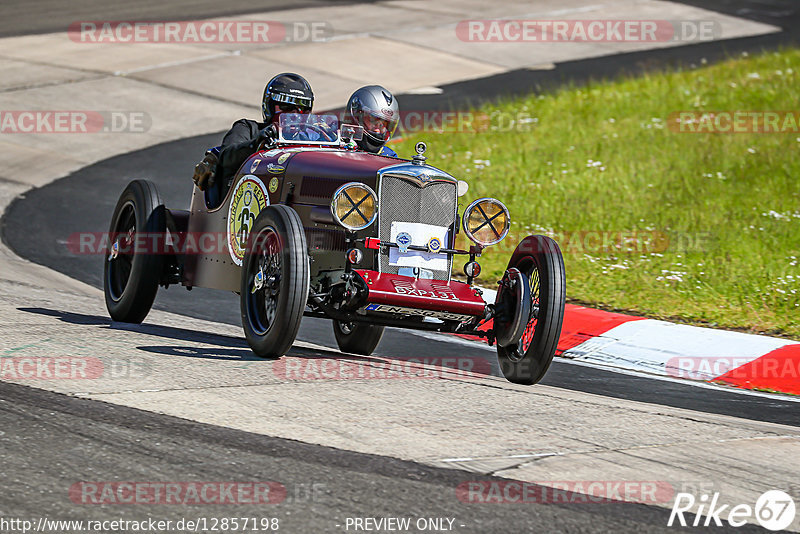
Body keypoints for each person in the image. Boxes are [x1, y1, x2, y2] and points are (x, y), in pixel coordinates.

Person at [192, 73, 314, 193]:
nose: (294, 115)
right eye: (285, 107)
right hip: (246, 198)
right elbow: (226, 157)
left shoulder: (312, 139)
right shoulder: (248, 128)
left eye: (303, 110)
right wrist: (257, 143)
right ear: (270, 106)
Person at [345, 85, 399, 157]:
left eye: (384, 125)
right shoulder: (334, 146)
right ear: (357, 116)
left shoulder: (389, 155)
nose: (378, 131)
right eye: (373, 120)